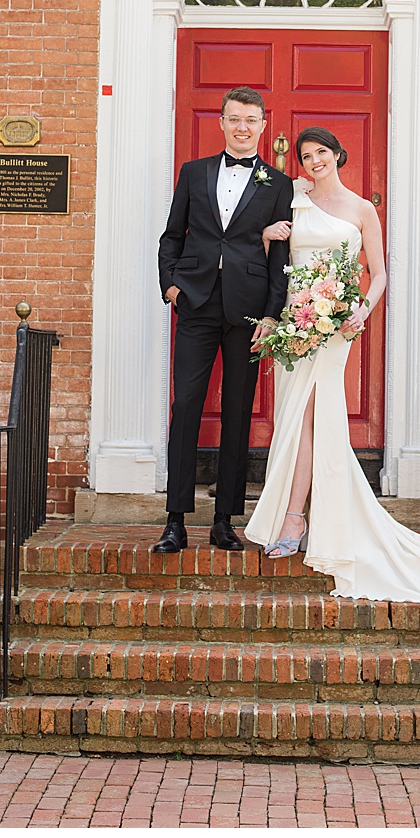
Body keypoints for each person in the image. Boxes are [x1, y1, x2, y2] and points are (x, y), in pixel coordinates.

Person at [242, 126, 420, 603]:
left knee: (314, 416)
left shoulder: (363, 209)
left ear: (338, 154)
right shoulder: (291, 196)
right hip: (294, 320)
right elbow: (269, 256)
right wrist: (262, 235)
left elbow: (379, 272)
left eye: (321, 152)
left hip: (335, 324)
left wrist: (361, 309)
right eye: (306, 155)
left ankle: (295, 517)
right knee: (296, 418)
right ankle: (298, 515)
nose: (314, 161)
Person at [155, 86, 295, 554]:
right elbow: (172, 235)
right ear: (221, 122)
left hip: (249, 310)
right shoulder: (194, 173)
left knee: (237, 411)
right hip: (195, 303)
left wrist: (273, 315)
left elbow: (281, 261)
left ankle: (224, 520)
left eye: (251, 120)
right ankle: (175, 520)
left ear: (262, 125)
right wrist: (171, 286)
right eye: (234, 119)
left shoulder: (278, 183)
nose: (242, 127)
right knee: (186, 407)